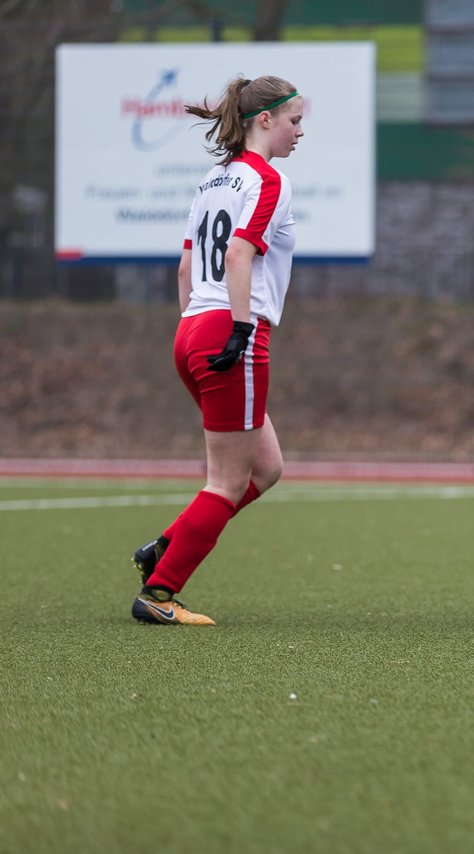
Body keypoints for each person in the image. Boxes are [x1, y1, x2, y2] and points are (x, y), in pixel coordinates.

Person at [129, 75, 305, 625]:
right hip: (232, 334)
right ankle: (159, 593)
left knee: (266, 467)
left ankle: (165, 547)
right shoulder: (268, 179)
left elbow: (185, 268)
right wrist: (239, 330)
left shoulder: (213, 179)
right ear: (265, 120)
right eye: (295, 120)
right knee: (227, 481)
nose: (301, 131)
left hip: (190, 332)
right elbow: (238, 259)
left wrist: (196, 329)